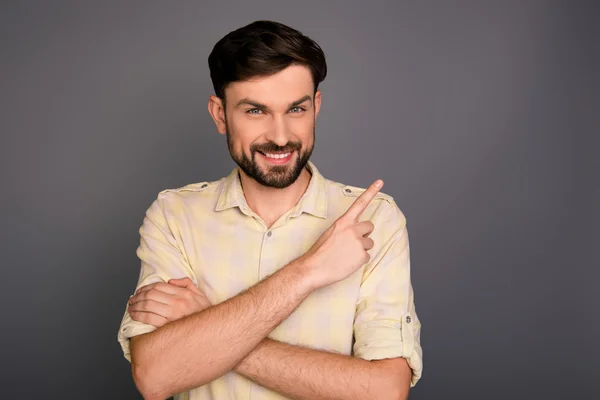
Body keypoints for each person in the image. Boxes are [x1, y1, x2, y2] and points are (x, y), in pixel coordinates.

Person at [117, 20, 423, 400]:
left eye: (296, 109)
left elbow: (384, 392)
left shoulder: (375, 219)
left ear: (317, 107)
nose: (280, 136)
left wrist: (209, 326)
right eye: (256, 111)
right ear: (219, 114)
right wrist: (309, 271)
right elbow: (156, 377)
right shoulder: (174, 215)